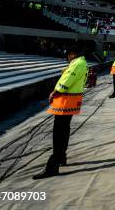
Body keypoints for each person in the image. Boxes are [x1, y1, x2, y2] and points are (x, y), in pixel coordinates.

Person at [33, 47, 88, 179]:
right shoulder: (81, 63)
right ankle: (61, 156)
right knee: (64, 130)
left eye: (68, 56)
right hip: (71, 99)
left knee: (59, 133)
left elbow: (67, 80)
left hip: (66, 100)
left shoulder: (78, 63)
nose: (67, 59)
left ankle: (53, 166)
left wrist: (55, 91)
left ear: (72, 54)